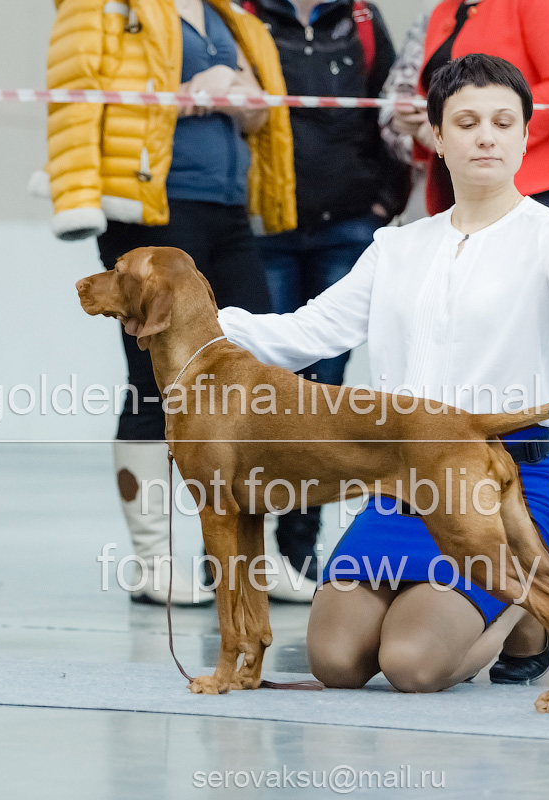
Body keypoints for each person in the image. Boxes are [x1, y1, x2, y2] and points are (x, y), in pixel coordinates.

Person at [218, 54, 549, 691]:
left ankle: (530, 598)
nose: (486, 135)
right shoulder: (396, 246)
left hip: (499, 490)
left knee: (411, 665)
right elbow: (307, 332)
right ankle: (491, 597)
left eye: (504, 122)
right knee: (334, 661)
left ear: (526, 135)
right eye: (467, 121)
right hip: (402, 484)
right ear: (437, 138)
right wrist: (203, 325)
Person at [39, 0, 296, 606]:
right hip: (150, 209)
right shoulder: (100, 7)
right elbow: (76, 96)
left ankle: (256, 559)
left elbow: (260, 122)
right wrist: (183, 91)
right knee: (152, 385)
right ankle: (155, 563)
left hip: (228, 207)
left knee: (261, 377)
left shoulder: (232, 16)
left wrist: (240, 96)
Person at [381, 0, 549, 682]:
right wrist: (427, 124)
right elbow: (424, 99)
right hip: (458, 204)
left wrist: (489, 131)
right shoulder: (446, 8)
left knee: (533, 394)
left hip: (538, 197)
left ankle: (548, 559)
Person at [239, 0, 409, 597]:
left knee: (323, 399)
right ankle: (244, 554)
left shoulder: (359, 18)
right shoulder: (246, 15)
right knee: (264, 394)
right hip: (269, 227)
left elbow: (392, 113)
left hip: (349, 228)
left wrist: (386, 201)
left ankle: (299, 550)